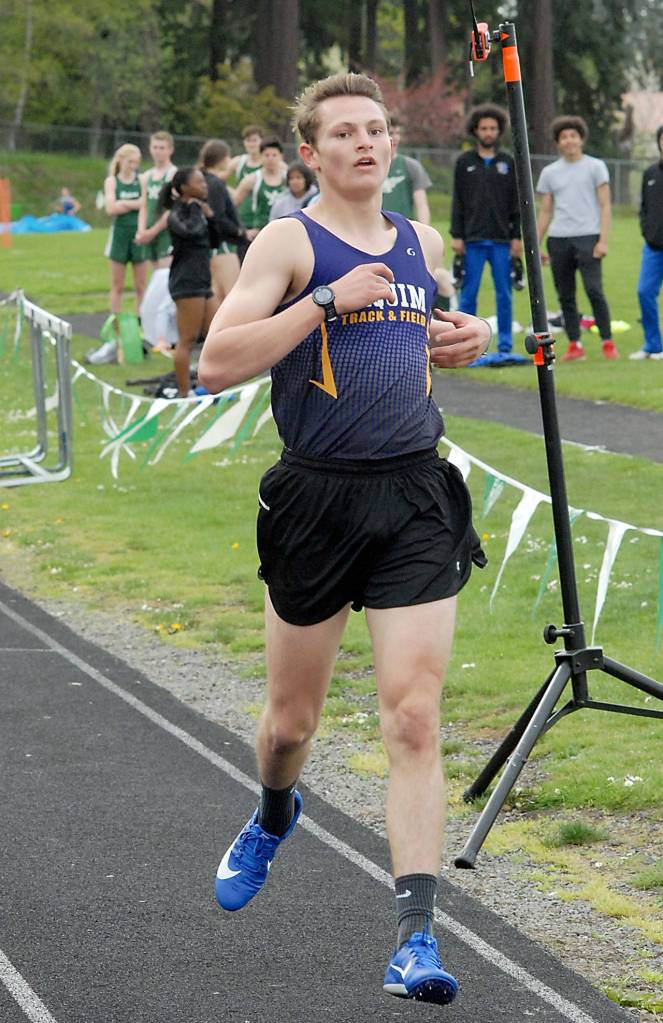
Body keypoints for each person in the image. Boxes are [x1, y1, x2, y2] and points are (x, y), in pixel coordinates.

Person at [199, 71, 490, 1005]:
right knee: (291, 726)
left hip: (412, 492)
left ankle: (415, 937)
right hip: (316, 499)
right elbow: (215, 363)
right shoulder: (288, 239)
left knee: (411, 713)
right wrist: (325, 302)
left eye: (377, 130)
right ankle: (275, 810)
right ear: (311, 152)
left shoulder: (422, 239)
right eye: (345, 133)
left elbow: (426, 345)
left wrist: (467, 338)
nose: (366, 144)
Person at [536, 115, 618, 362]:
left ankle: (607, 341)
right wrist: (536, 244)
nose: (569, 141)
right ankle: (575, 344)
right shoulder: (550, 172)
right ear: (558, 142)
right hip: (559, 239)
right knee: (566, 295)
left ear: (581, 139)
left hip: (588, 237)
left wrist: (603, 240)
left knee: (594, 290)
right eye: (564, 137)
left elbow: (605, 206)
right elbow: (546, 210)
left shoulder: (595, 167)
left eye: (573, 136)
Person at [450, 104, 523, 363]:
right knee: (469, 294)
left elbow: (517, 203)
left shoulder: (508, 162)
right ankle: (463, 344)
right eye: (484, 128)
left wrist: (517, 237)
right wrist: (456, 235)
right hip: (472, 240)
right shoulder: (465, 162)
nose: (488, 132)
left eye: (493, 128)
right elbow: (457, 201)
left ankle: (504, 346)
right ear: (476, 131)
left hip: (503, 240)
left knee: (504, 294)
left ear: (499, 131)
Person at [162, 167, 219, 397]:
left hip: (203, 279)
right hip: (186, 281)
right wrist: (198, 210)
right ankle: (184, 394)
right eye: (199, 182)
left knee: (215, 335)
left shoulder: (199, 209)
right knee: (187, 339)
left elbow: (213, 240)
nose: (205, 186)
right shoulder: (176, 212)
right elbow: (191, 232)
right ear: (185, 187)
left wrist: (211, 216)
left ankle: (210, 388)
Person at [198, 139, 247, 305]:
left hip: (209, 245)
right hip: (223, 245)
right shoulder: (215, 183)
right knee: (232, 298)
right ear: (223, 159)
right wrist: (239, 231)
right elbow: (217, 217)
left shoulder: (201, 179)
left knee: (217, 297)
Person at [103, 143, 148, 319]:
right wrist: (135, 203)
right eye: (130, 162)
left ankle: (140, 321)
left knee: (141, 285)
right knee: (117, 284)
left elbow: (145, 204)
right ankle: (115, 320)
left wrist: (124, 203)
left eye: (136, 163)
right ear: (121, 160)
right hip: (119, 236)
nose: (133, 166)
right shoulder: (112, 181)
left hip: (138, 234)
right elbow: (111, 209)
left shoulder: (142, 179)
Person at [631, 125, 663, 361]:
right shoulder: (650, 173)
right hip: (653, 248)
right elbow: (644, 208)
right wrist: (646, 230)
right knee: (644, 292)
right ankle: (653, 345)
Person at [231, 137, 288, 239]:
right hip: (259, 234)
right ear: (261, 157)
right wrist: (242, 229)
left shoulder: (288, 179)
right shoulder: (252, 179)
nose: (270, 159)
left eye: (274, 155)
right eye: (266, 155)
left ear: (281, 157)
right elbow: (232, 206)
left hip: (284, 233)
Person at [135, 131, 177, 267]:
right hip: (149, 230)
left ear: (170, 150)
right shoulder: (147, 176)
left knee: (165, 273)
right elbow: (144, 205)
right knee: (155, 274)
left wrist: (153, 231)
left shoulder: (174, 174)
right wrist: (142, 231)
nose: (158, 151)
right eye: (155, 147)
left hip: (166, 231)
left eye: (162, 148)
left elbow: (173, 208)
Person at [381, 115, 432, 223]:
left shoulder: (411, 166)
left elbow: (421, 205)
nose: (395, 138)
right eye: (391, 133)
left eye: (398, 133)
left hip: (403, 230)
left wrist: (424, 233)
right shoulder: (368, 165)